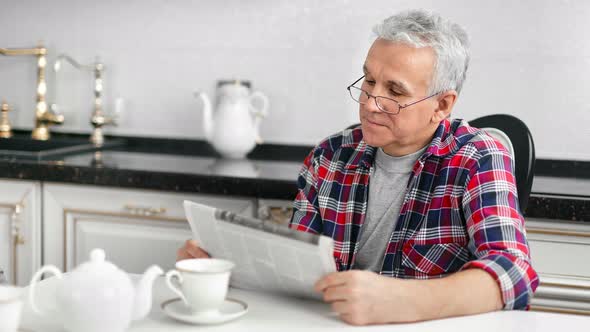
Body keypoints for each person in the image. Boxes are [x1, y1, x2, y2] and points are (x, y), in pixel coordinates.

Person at [178, 9, 538, 326]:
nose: (370, 103)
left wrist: (398, 300)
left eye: (395, 92)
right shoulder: (330, 157)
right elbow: (296, 270)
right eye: (369, 81)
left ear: (442, 105)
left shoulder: (479, 156)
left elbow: (514, 273)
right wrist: (224, 263)